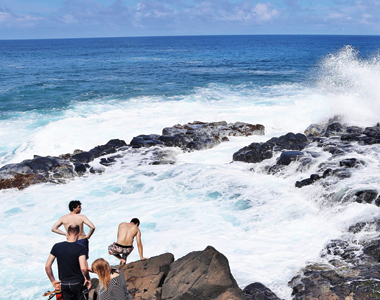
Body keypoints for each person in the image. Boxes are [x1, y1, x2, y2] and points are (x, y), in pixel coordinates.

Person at [45, 225, 91, 300]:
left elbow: (47, 266)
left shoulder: (57, 246)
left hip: (64, 284)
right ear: (78, 234)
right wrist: (88, 278)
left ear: (67, 234)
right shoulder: (81, 248)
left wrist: (53, 281)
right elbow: (83, 268)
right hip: (78, 283)